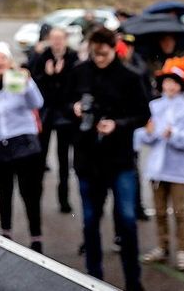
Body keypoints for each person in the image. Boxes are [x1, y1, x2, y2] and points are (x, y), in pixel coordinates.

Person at [68, 28, 150, 291]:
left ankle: (133, 281)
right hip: (87, 158)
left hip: (119, 159)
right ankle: (93, 277)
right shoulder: (80, 71)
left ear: (114, 49)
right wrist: (74, 108)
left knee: (126, 219)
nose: (100, 58)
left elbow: (143, 114)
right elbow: (61, 103)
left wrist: (117, 124)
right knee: (90, 220)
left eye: (104, 54)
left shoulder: (129, 77)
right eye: (96, 54)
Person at [0, 43, 46, 252]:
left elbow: (37, 102)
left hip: (23, 141)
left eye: (2, 59)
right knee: (4, 192)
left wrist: (29, 82)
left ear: (9, 62)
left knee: (29, 193)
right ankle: (5, 233)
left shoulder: (16, 79)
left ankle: (36, 237)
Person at [138, 65, 184, 272]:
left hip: (178, 169)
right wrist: (149, 133)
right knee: (159, 211)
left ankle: (182, 250)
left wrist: (173, 134)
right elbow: (146, 137)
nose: (170, 86)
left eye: (174, 82)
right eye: (167, 82)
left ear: (180, 85)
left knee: (180, 211)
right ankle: (162, 246)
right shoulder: (154, 106)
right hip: (157, 167)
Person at [31, 27, 80, 213]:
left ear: (65, 40)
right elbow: (33, 79)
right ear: (49, 40)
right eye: (54, 39)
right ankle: (36, 197)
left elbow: (75, 83)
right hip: (47, 112)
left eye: (60, 39)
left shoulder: (73, 57)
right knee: (40, 157)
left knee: (63, 159)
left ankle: (64, 199)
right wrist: (47, 74)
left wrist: (62, 73)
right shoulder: (42, 56)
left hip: (65, 115)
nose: (57, 42)